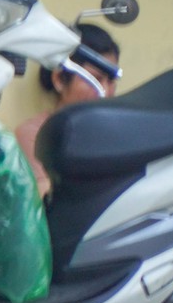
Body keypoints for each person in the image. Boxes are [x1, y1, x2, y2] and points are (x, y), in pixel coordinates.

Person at [16, 22, 121, 199]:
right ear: (59, 80)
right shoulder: (34, 135)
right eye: (94, 79)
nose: (105, 91)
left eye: (110, 81)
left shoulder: (118, 135)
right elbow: (46, 198)